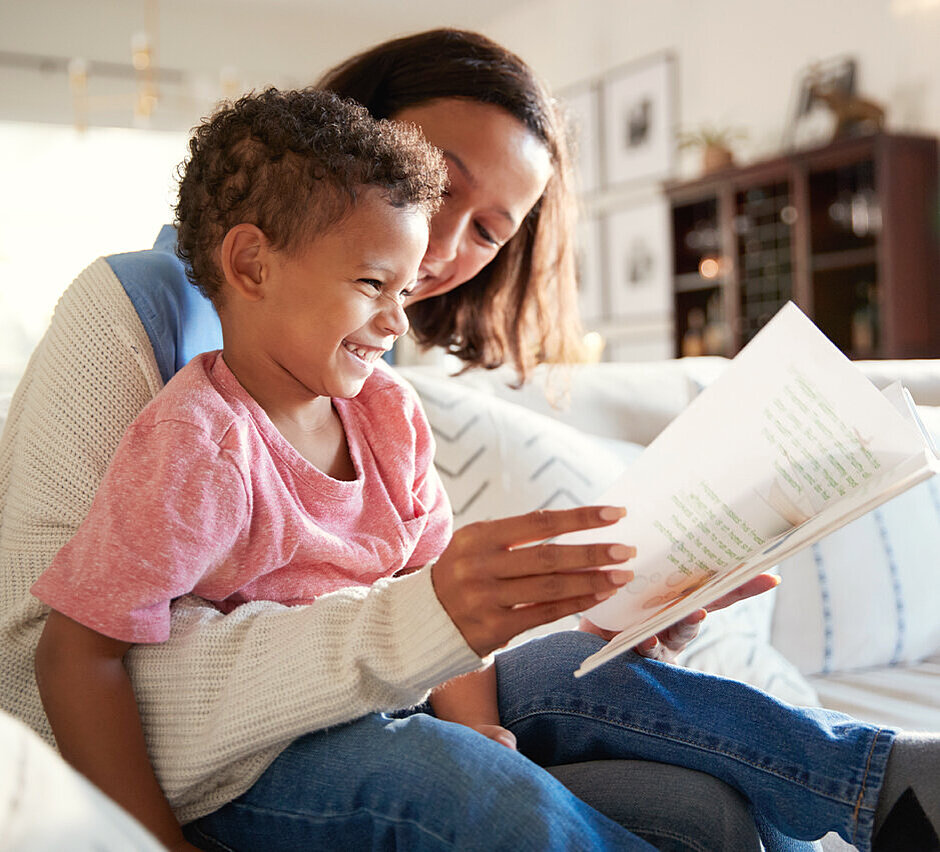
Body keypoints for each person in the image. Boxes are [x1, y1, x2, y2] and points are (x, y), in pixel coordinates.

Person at [2, 28, 935, 852]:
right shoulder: (174, 386)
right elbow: (55, 658)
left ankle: (888, 785)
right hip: (251, 755)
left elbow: (419, 597)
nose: (439, 249)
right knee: (492, 795)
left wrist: (626, 620)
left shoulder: (375, 396)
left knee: (696, 800)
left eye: (488, 230)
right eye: (435, 182)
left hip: (400, 700)